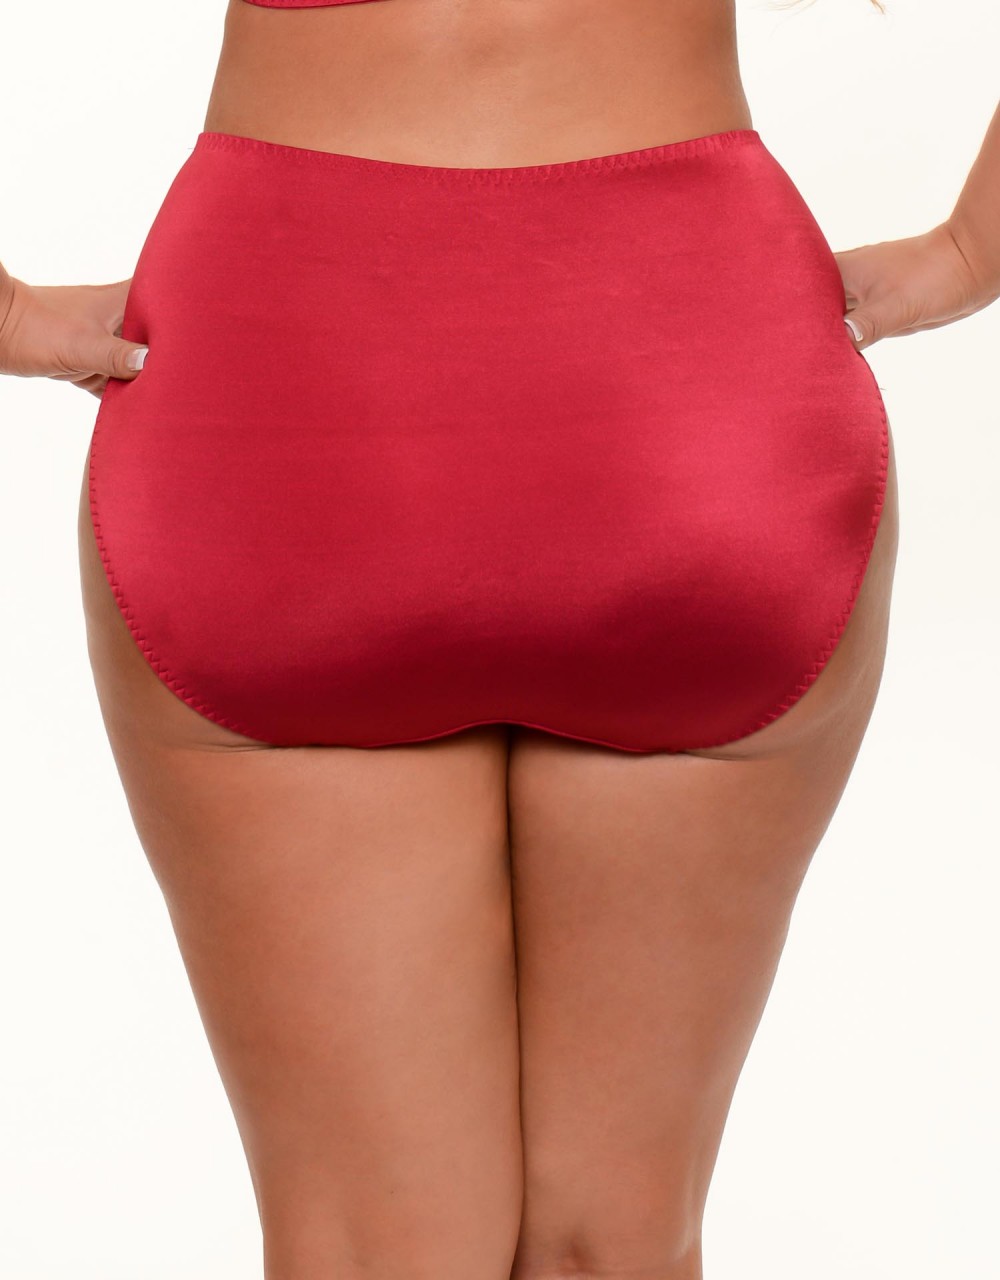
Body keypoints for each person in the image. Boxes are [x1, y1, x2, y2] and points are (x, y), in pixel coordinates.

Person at [1, 2, 997, 1277]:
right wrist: (972, 247)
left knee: (374, 1250)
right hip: (690, 386)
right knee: (616, 1244)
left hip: (288, 395)